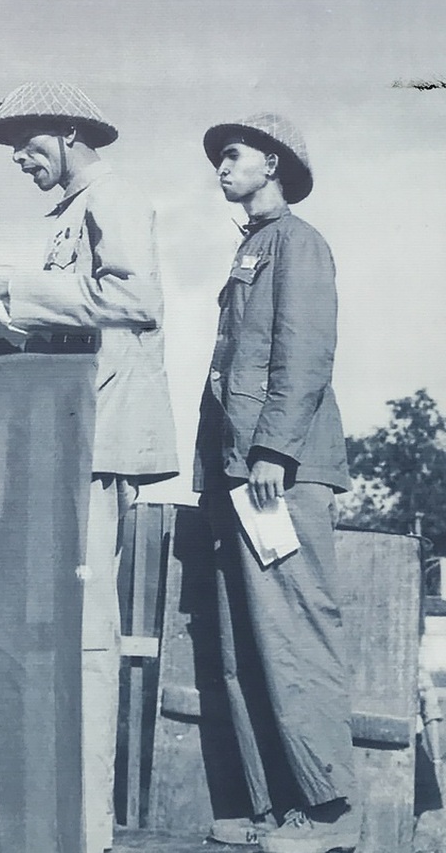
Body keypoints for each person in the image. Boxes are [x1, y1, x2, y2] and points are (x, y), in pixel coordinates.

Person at [0, 82, 178, 853]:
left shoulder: (116, 195)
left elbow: (136, 300)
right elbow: (71, 311)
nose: (17, 157)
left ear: (71, 132)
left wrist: (12, 283)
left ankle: (85, 830)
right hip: (67, 434)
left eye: (28, 140)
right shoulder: (69, 215)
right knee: (63, 634)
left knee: (87, 638)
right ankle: (61, 818)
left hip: (98, 436)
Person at [194, 113, 359, 853]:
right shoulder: (254, 247)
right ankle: (277, 811)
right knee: (246, 643)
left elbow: (306, 351)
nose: (220, 167)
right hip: (238, 472)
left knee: (295, 636)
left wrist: (274, 451)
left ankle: (330, 816)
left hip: (277, 472)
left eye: (232, 155)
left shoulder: (299, 241)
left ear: (272, 160)